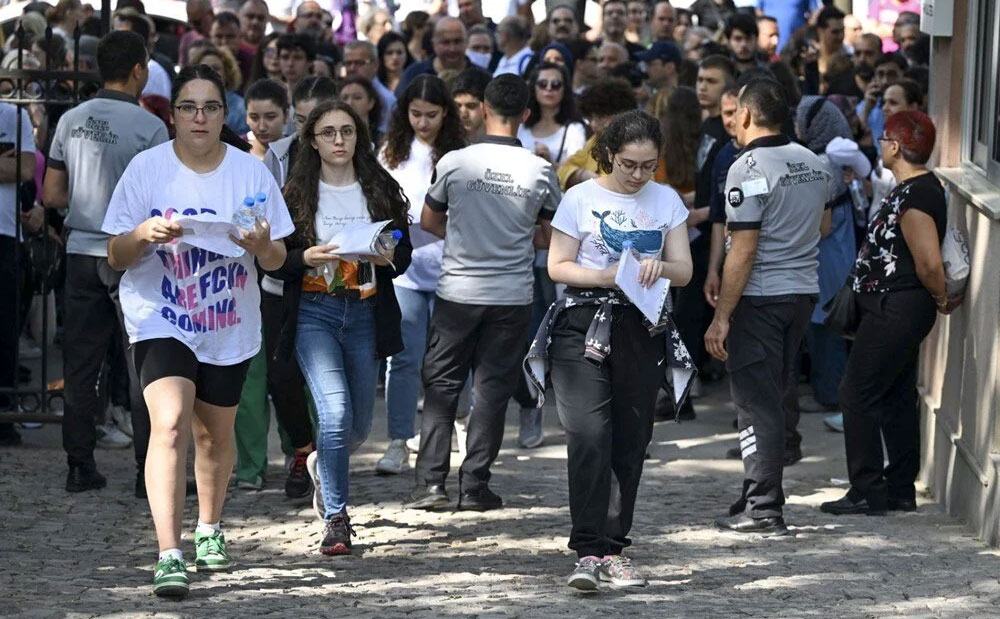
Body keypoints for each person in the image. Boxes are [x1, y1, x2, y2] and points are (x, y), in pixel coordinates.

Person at [102, 64, 293, 597]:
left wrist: (260, 247)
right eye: (189, 107)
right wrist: (142, 234)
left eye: (211, 107)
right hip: (160, 316)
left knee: (214, 436)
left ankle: (210, 524)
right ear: (173, 114)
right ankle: (169, 553)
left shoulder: (250, 172)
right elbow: (116, 255)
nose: (200, 117)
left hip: (228, 321)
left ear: (222, 113)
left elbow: (279, 259)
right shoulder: (146, 169)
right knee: (168, 425)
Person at [525, 109, 692, 591]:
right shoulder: (579, 197)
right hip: (582, 325)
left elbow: (684, 269)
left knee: (631, 438)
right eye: (629, 165)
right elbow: (557, 265)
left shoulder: (666, 201)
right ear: (608, 155)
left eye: (649, 166)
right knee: (589, 434)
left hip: (642, 325)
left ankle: (614, 550)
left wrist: (657, 268)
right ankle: (587, 550)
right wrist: (605, 275)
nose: (639, 175)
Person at [405, 74, 561, 511]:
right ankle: (474, 486)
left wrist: (467, 232)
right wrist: (515, 236)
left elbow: (430, 222)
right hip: (511, 296)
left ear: (484, 109)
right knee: (491, 392)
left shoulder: (455, 162)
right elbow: (551, 236)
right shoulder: (539, 170)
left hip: (458, 291)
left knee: (441, 386)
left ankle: (430, 485)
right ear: (526, 115)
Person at [271, 99, 411, 554]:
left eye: (346, 132)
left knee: (356, 427)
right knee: (332, 415)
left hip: (366, 310)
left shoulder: (379, 187)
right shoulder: (295, 192)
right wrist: (304, 257)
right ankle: (336, 518)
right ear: (312, 140)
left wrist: (387, 255)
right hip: (314, 311)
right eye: (328, 132)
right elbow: (276, 262)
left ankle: (319, 463)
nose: (338, 141)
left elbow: (402, 252)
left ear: (358, 137)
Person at [706, 78, 834, 536]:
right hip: (802, 292)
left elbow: (744, 247)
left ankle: (764, 508)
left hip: (761, 296)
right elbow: (824, 225)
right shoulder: (814, 163)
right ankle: (758, 491)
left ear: (744, 114)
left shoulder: (748, 166)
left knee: (755, 404)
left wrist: (722, 315)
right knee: (775, 396)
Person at [43, 30, 168, 494]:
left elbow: (52, 193)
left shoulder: (71, 119)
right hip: (131, 255)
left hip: (79, 253)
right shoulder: (149, 127)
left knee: (80, 363)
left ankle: (79, 464)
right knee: (141, 365)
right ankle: (146, 471)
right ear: (138, 69)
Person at [821, 111, 960, 516]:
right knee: (895, 396)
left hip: (897, 307)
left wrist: (937, 298)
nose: (879, 145)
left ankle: (867, 489)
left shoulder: (918, 195)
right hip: (890, 305)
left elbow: (930, 263)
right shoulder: (907, 188)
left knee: (855, 392)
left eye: (883, 139)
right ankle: (899, 487)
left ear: (895, 147)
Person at [378, 75, 465, 475]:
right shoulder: (392, 152)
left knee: (452, 357)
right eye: (416, 114)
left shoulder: (460, 153)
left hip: (453, 267)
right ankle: (399, 439)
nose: (424, 122)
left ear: (446, 113)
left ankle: (455, 429)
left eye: (432, 115)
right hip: (406, 269)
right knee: (404, 357)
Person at [794, 96, 857, 415]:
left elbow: (824, 225)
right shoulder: (832, 156)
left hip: (828, 254)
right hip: (836, 252)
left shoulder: (822, 163)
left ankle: (831, 394)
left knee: (826, 324)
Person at [0, 103, 40, 449]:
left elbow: (26, 169)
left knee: (5, 329)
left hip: (6, 233)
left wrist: (15, 166)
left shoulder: (13, 115)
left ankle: (4, 415)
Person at [558, 79, 637, 189]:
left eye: (600, 117)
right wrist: (583, 175)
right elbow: (562, 170)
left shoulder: (637, 147)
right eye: (590, 118)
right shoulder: (596, 140)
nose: (593, 125)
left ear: (621, 115)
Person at [263, 76, 340, 186]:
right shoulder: (276, 155)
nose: (305, 129)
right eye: (300, 120)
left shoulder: (354, 151)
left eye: (314, 121)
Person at [396, 17, 469, 97]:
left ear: (466, 42)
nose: (452, 49)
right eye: (445, 42)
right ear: (434, 44)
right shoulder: (414, 74)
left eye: (457, 41)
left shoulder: (479, 77)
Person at [189, 43, 249, 135]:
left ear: (227, 73)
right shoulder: (186, 105)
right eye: (205, 68)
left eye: (216, 68)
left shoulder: (240, 108)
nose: (210, 73)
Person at [342, 40, 396, 133]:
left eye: (359, 63)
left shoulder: (386, 99)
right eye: (348, 63)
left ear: (375, 64)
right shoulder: (340, 91)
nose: (351, 68)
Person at [638, 40, 682, 119]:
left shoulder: (683, 100)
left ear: (669, 67)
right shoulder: (648, 96)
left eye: (650, 64)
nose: (645, 69)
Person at [451, 65, 491, 140]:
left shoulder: (502, 146)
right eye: (457, 106)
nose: (463, 114)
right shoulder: (445, 145)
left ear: (487, 107)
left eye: (471, 106)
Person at [340, 77, 382, 144]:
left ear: (371, 103)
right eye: (344, 98)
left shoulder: (382, 139)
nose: (349, 103)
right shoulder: (334, 140)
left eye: (357, 97)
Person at [815, 6, 846, 79]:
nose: (841, 36)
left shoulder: (851, 60)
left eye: (842, 30)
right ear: (820, 31)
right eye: (835, 32)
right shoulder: (810, 61)